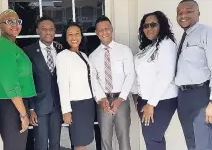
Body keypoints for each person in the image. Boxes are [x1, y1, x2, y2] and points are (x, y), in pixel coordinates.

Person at [0, 9, 36, 150]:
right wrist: (23, 114)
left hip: (13, 102)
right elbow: (10, 82)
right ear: (0, 26)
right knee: (15, 147)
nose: (15, 24)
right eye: (9, 21)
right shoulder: (2, 45)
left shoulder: (10, 45)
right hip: (9, 102)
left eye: (17, 21)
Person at [132, 11, 178, 150]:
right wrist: (136, 95)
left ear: (161, 25)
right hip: (145, 100)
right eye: (145, 26)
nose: (149, 28)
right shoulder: (149, 46)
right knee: (153, 140)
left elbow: (166, 74)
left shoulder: (166, 44)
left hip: (160, 101)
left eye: (153, 24)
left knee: (153, 140)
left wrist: (151, 104)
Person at [89, 15, 134, 150]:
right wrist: (101, 99)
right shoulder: (93, 56)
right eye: (100, 30)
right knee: (105, 140)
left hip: (121, 99)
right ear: (97, 33)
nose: (104, 32)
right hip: (103, 102)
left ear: (112, 29)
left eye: (107, 28)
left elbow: (130, 74)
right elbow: (94, 80)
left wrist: (121, 99)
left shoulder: (124, 50)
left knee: (124, 138)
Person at [175, 0, 212, 150]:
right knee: (191, 142)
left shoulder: (206, 32)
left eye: (188, 11)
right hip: (183, 97)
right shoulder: (184, 37)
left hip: (201, 96)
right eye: (179, 12)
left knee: (203, 143)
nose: (183, 15)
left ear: (198, 13)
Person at [23, 16, 63, 150]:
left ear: (55, 31)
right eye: (44, 29)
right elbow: (26, 81)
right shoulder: (28, 52)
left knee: (55, 143)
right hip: (38, 106)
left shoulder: (61, 50)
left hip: (57, 105)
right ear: (37, 31)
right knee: (40, 144)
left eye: (51, 29)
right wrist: (31, 109)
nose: (48, 32)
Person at [56, 22, 95, 150]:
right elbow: (62, 84)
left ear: (81, 36)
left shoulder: (83, 55)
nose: (74, 37)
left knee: (85, 140)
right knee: (79, 142)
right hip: (76, 105)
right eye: (70, 34)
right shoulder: (63, 56)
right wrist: (66, 110)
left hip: (88, 103)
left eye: (77, 34)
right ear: (66, 38)